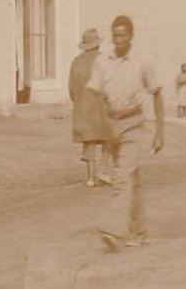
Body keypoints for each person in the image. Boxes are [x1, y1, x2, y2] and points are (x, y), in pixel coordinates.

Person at [84, 15, 164, 252]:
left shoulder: (142, 61)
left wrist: (160, 132)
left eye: (122, 36)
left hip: (134, 125)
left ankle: (111, 228)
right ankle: (138, 232)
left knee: (121, 178)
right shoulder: (103, 62)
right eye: (114, 36)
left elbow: (157, 94)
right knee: (132, 180)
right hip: (112, 126)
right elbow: (95, 94)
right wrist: (101, 127)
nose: (117, 41)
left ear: (130, 37)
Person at [68, 28, 111, 186]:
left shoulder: (76, 62)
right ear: (97, 45)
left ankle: (90, 177)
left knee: (89, 141)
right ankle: (104, 171)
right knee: (108, 138)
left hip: (83, 107)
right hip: (102, 106)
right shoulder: (104, 61)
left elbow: (72, 89)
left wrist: (79, 102)